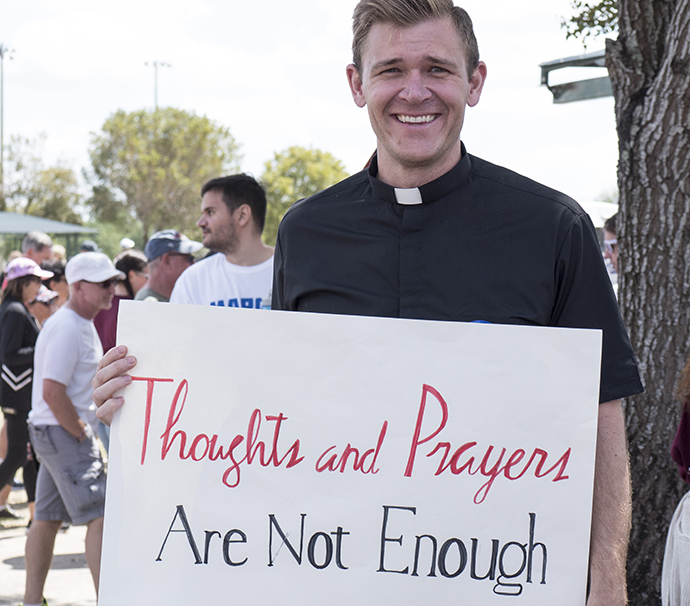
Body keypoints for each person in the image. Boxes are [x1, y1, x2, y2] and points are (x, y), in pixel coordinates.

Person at [93, 2, 642, 604]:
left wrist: (607, 578)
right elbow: (272, 409)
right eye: (390, 70)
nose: (414, 91)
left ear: (474, 82)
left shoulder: (553, 229)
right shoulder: (306, 233)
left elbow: (600, 415)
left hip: (503, 573)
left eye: (437, 68)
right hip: (336, 572)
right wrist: (146, 396)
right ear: (357, 84)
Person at [23, 252, 124, 606]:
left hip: (52, 432)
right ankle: (108, 599)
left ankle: (32, 600)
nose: (113, 289)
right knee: (100, 515)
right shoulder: (68, 326)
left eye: (113, 281)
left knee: (47, 518)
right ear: (78, 287)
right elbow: (53, 391)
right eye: (104, 283)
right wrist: (82, 431)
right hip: (63, 433)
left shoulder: (73, 322)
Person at [169, 175, 274, 307]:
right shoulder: (193, 281)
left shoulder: (291, 274)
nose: (200, 223)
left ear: (242, 215)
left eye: (211, 212)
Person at [0, 259, 53, 522]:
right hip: (17, 397)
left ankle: (36, 515)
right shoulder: (15, 311)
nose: (40, 286)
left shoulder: (14, 308)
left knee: (26, 456)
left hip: (20, 397)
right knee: (17, 455)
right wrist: (41, 347)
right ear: (24, 282)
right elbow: (9, 354)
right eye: (37, 281)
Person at [135, 230, 202, 303]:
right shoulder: (148, 304)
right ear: (167, 260)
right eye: (188, 258)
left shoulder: (166, 299)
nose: (193, 263)